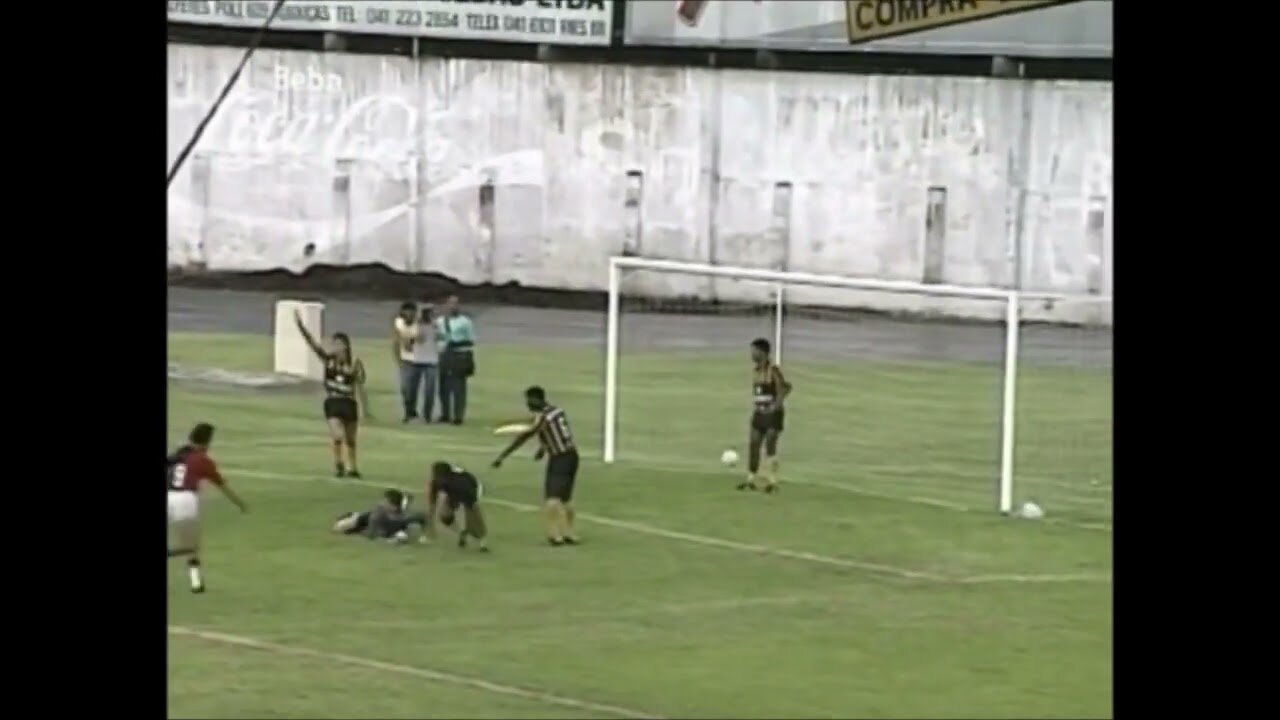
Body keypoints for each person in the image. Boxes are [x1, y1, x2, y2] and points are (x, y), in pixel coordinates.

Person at [492, 386, 580, 546]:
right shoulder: (557, 411)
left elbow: (524, 437)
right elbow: (555, 433)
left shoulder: (543, 417)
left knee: (552, 498)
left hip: (559, 458)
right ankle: (570, 533)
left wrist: (502, 456)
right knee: (566, 498)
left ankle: (555, 535)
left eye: (529, 400)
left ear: (537, 399)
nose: (527, 404)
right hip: (572, 455)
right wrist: (543, 448)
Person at [168, 422, 249, 593]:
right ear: (206, 442)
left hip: (169, 496)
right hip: (185, 500)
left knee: (190, 545)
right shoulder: (203, 461)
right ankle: (195, 581)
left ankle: (196, 583)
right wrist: (240, 503)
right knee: (191, 546)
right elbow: (222, 486)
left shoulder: (178, 455)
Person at [295, 310, 370, 478]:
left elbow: (360, 387)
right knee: (338, 435)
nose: (335, 347)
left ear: (346, 346)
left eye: (339, 344)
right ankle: (338, 464)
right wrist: (300, 326)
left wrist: (366, 409)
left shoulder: (354, 365)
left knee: (351, 440)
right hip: (333, 402)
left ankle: (353, 468)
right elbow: (312, 343)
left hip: (349, 403)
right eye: (334, 344)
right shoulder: (328, 360)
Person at [738, 338, 793, 493]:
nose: (751, 354)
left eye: (754, 351)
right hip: (759, 413)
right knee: (754, 444)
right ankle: (750, 480)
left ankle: (772, 481)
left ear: (762, 352)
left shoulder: (773, 370)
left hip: (772, 415)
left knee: (770, 444)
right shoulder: (756, 371)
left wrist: (776, 405)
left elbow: (785, 387)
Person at [424, 461, 490, 551]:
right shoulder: (437, 481)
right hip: (453, 492)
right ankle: (462, 531)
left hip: (472, 490)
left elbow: (471, 501)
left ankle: (482, 542)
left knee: (473, 518)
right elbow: (432, 503)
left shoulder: (461, 483)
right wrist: (430, 527)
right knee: (445, 515)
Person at [391, 301, 439, 424]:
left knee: (428, 389)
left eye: (412, 313)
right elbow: (396, 342)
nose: (409, 315)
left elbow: (422, 336)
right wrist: (398, 359)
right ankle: (410, 412)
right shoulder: (399, 323)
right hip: (407, 359)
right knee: (407, 388)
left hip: (421, 358)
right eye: (406, 313)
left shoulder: (420, 324)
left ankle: (426, 415)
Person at [435, 295, 475, 425]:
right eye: (450, 304)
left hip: (458, 355)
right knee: (443, 386)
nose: (453, 306)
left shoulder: (465, 322)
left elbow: (470, 340)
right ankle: (445, 413)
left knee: (458, 387)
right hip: (444, 355)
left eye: (456, 304)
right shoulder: (440, 321)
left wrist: (454, 341)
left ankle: (458, 416)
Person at [332, 489, 427, 543]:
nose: (380, 504)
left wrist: (425, 535)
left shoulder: (403, 517)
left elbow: (422, 517)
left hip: (379, 524)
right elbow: (372, 536)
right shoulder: (377, 517)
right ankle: (349, 515)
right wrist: (393, 540)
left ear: (393, 507)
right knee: (340, 527)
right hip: (360, 522)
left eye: (384, 502)